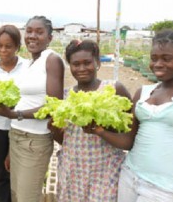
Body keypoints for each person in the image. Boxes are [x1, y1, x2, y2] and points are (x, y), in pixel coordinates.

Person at [88, 29, 173, 201]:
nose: (157, 64)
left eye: (166, 58)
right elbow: (129, 141)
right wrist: (99, 130)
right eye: (154, 58)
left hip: (163, 188)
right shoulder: (143, 93)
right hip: (129, 176)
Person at [48, 40, 132, 202]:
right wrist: (54, 130)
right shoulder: (66, 95)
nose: (81, 69)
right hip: (73, 169)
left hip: (104, 170)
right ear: (69, 66)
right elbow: (65, 141)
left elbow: (129, 131)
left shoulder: (114, 89)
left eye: (87, 63)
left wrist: (101, 130)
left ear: (98, 62)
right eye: (75, 64)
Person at [0, 15, 65, 202]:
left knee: (27, 197)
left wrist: (14, 114)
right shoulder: (30, 64)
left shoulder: (52, 59)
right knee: (17, 195)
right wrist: (10, 149)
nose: (32, 36)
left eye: (39, 32)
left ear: (50, 38)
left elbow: (53, 106)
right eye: (29, 31)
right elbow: (24, 101)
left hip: (35, 142)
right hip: (16, 137)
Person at [0, 24, 28, 202]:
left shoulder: (27, 67)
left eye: (8, 46)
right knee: (1, 173)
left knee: (21, 173)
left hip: (22, 126)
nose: (3, 50)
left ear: (17, 46)